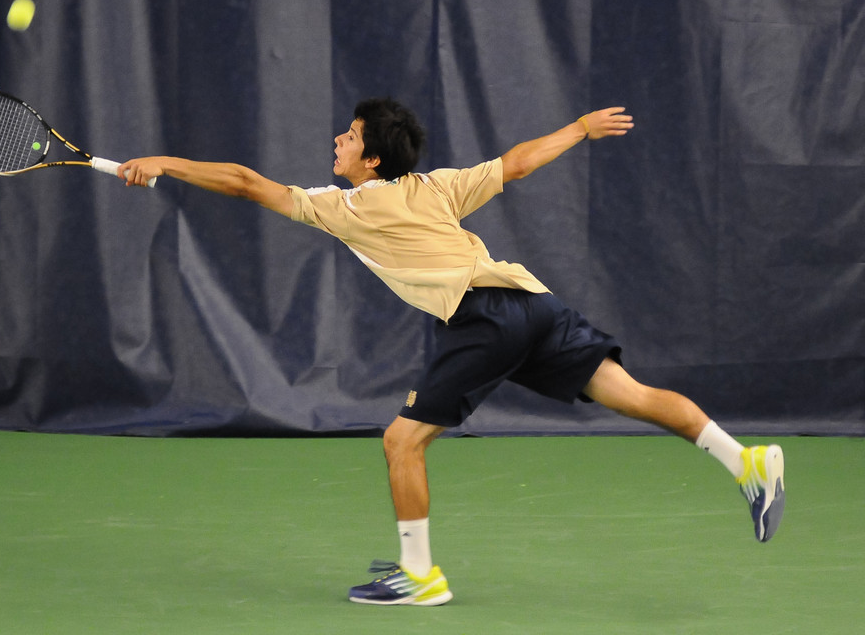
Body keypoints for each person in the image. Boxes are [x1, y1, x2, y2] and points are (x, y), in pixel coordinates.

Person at [117, 98, 786, 607]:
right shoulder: (437, 186)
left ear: (371, 160)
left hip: (484, 318)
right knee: (631, 395)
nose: (338, 140)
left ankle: (420, 576)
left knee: (401, 441)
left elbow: (243, 181)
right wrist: (579, 128)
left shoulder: (346, 207)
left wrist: (166, 164)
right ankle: (745, 459)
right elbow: (517, 163)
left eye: (349, 136)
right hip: (534, 303)